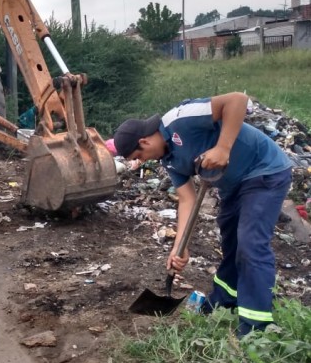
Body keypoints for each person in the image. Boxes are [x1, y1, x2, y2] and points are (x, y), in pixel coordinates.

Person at [113, 92, 292, 337]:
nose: (142, 161)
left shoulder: (179, 119)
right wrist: (179, 247)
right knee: (232, 244)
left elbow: (238, 100)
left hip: (264, 171)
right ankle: (225, 300)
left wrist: (222, 148)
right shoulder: (169, 160)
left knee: (251, 245)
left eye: (139, 157)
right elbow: (187, 199)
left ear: (143, 142)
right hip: (232, 186)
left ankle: (257, 329)